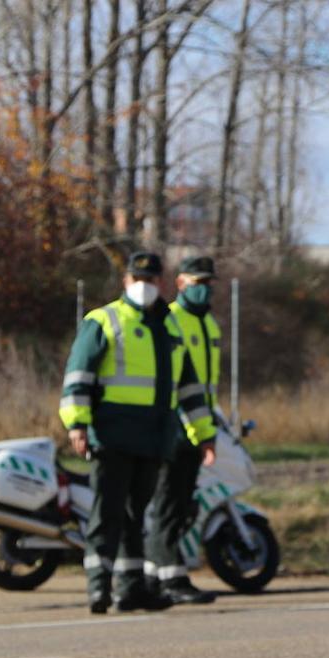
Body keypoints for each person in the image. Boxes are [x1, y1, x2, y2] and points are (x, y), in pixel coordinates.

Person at [59, 251, 217, 614]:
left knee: (136, 516)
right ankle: (99, 589)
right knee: (107, 513)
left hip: (154, 437)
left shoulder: (168, 327)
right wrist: (77, 424)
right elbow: (78, 376)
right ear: (126, 282)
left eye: (150, 280)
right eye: (138, 279)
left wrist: (204, 434)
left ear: (160, 283)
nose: (145, 286)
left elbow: (190, 389)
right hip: (112, 435)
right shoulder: (103, 320)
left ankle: (131, 590)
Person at [144, 256, 223, 605]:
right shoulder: (171, 321)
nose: (204, 290)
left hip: (199, 428)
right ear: (180, 284)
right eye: (197, 283)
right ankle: (171, 579)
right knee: (167, 506)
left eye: (208, 283)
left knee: (180, 508)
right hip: (174, 430)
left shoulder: (211, 326)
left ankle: (153, 576)